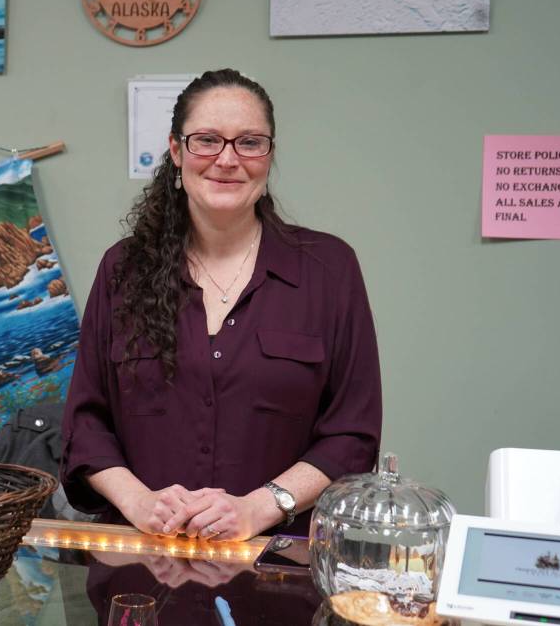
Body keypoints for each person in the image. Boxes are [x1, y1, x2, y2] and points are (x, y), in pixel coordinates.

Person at [60, 68, 381, 541]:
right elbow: (86, 424)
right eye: (207, 140)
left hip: (278, 569)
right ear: (176, 151)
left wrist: (259, 508)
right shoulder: (122, 269)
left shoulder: (329, 269)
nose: (227, 160)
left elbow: (353, 435)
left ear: (269, 156)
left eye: (249, 142)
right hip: (141, 567)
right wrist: (140, 502)